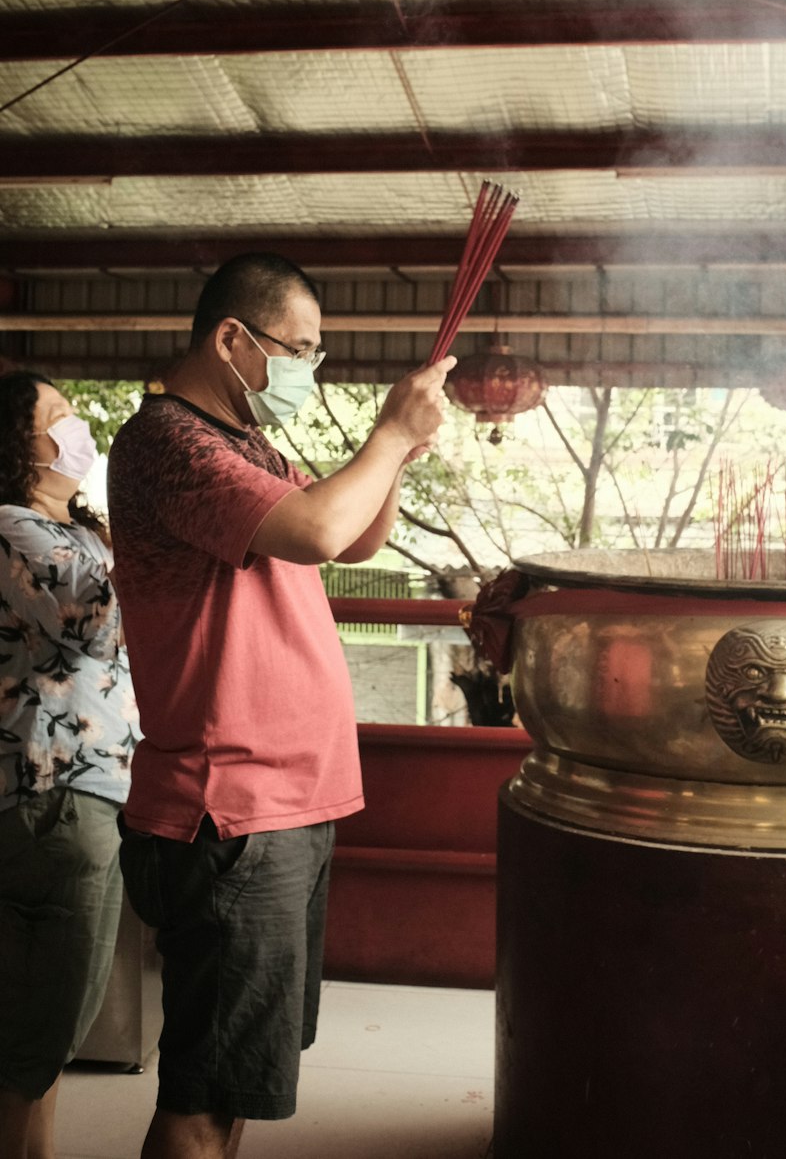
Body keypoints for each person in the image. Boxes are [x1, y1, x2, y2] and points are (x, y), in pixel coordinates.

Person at [107, 252, 454, 1159]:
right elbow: (318, 528)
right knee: (203, 1098)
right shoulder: (168, 443)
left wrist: (401, 453)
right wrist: (384, 431)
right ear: (231, 339)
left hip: (287, 803)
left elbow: (354, 538)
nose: (307, 372)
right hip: (229, 810)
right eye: (297, 351)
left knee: (236, 1088)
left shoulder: (250, 446)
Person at [0, 372, 137, 1159]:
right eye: (60, 418)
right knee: (38, 1033)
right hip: (51, 788)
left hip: (88, 784)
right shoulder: (13, 525)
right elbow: (95, 622)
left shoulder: (79, 530)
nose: (79, 430)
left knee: (44, 1034)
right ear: (19, 443)